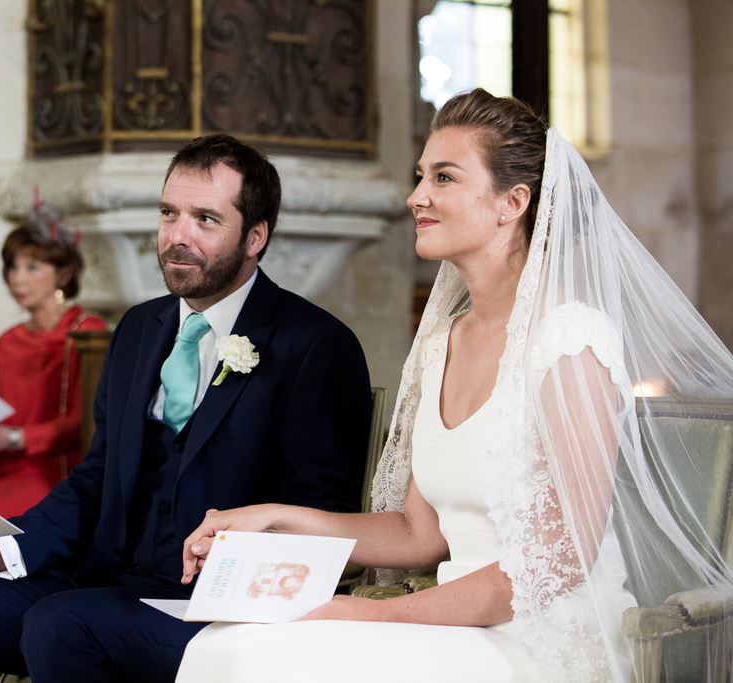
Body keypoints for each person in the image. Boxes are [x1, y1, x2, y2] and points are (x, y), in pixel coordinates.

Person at [178, 90, 733, 682]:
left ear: (512, 202)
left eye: (443, 177)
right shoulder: (442, 342)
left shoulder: (570, 341)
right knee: (229, 645)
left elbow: (552, 567)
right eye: (421, 177)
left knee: (293, 658)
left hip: (542, 638)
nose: (417, 197)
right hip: (455, 623)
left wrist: (376, 618)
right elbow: (420, 535)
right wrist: (274, 518)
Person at [0, 133, 373, 682]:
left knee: (61, 624)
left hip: (220, 609)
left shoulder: (314, 343)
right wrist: (4, 549)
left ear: (255, 237)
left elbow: (322, 511)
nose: (178, 236)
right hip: (107, 578)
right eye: (169, 213)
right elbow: (97, 477)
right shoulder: (138, 330)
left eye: (205, 219)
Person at [0, 202, 107, 517]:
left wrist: (13, 438)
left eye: (32, 267)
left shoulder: (87, 332)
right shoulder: (7, 342)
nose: (17, 279)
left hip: (58, 474)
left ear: (63, 273)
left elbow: (87, 421)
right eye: (12, 267)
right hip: (3, 471)